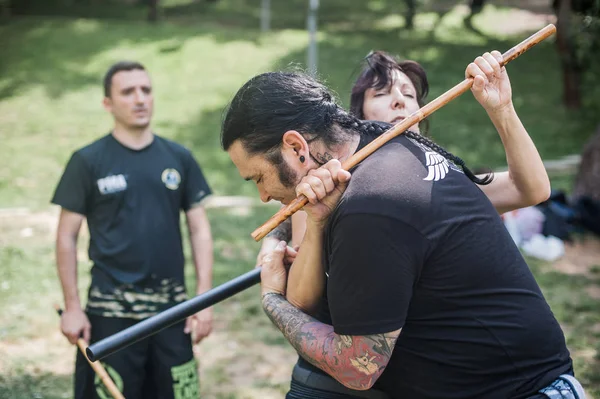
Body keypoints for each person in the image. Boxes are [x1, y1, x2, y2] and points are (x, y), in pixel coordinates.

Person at [221, 51, 586, 398]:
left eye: (257, 178)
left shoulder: (371, 204)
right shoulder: (383, 145)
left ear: (296, 147)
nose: (263, 196)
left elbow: (357, 368)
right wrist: (289, 231)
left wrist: (272, 302)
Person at [256, 49, 551, 265]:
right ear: (357, 120)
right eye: (382, 93)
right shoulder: (328, 186)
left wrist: (502, 108)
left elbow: (530, 189)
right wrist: (277, 238)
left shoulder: (442, 182)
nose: (400, 99)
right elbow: (303, 288)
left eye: (409, 94)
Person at [51, 61, 214, 399]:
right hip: (110, 315)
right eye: (128, 92)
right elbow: (66, 236)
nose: (140, 99)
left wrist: (203, 299)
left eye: (146, 90)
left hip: (172, 313)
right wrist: (72, 306)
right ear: (107, 104)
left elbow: (199, 229)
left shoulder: (179, 157)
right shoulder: (87, 160)